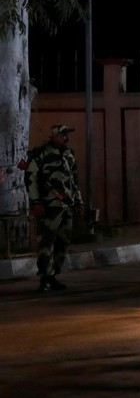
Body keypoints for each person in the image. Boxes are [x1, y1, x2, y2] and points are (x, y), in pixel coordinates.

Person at [25, 124, 84, 292]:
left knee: (63, 242)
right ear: (54, 136)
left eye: (67, 135)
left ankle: (53, 275)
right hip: (48, 206)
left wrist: (79, 202)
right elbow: (31, 178)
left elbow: (74, 181)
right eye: (63, 134)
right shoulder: (41, 153)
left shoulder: (68, 154)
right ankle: (45, 277)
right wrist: (35, 202)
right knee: (46, 242)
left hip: (66, 206)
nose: (66, 138)